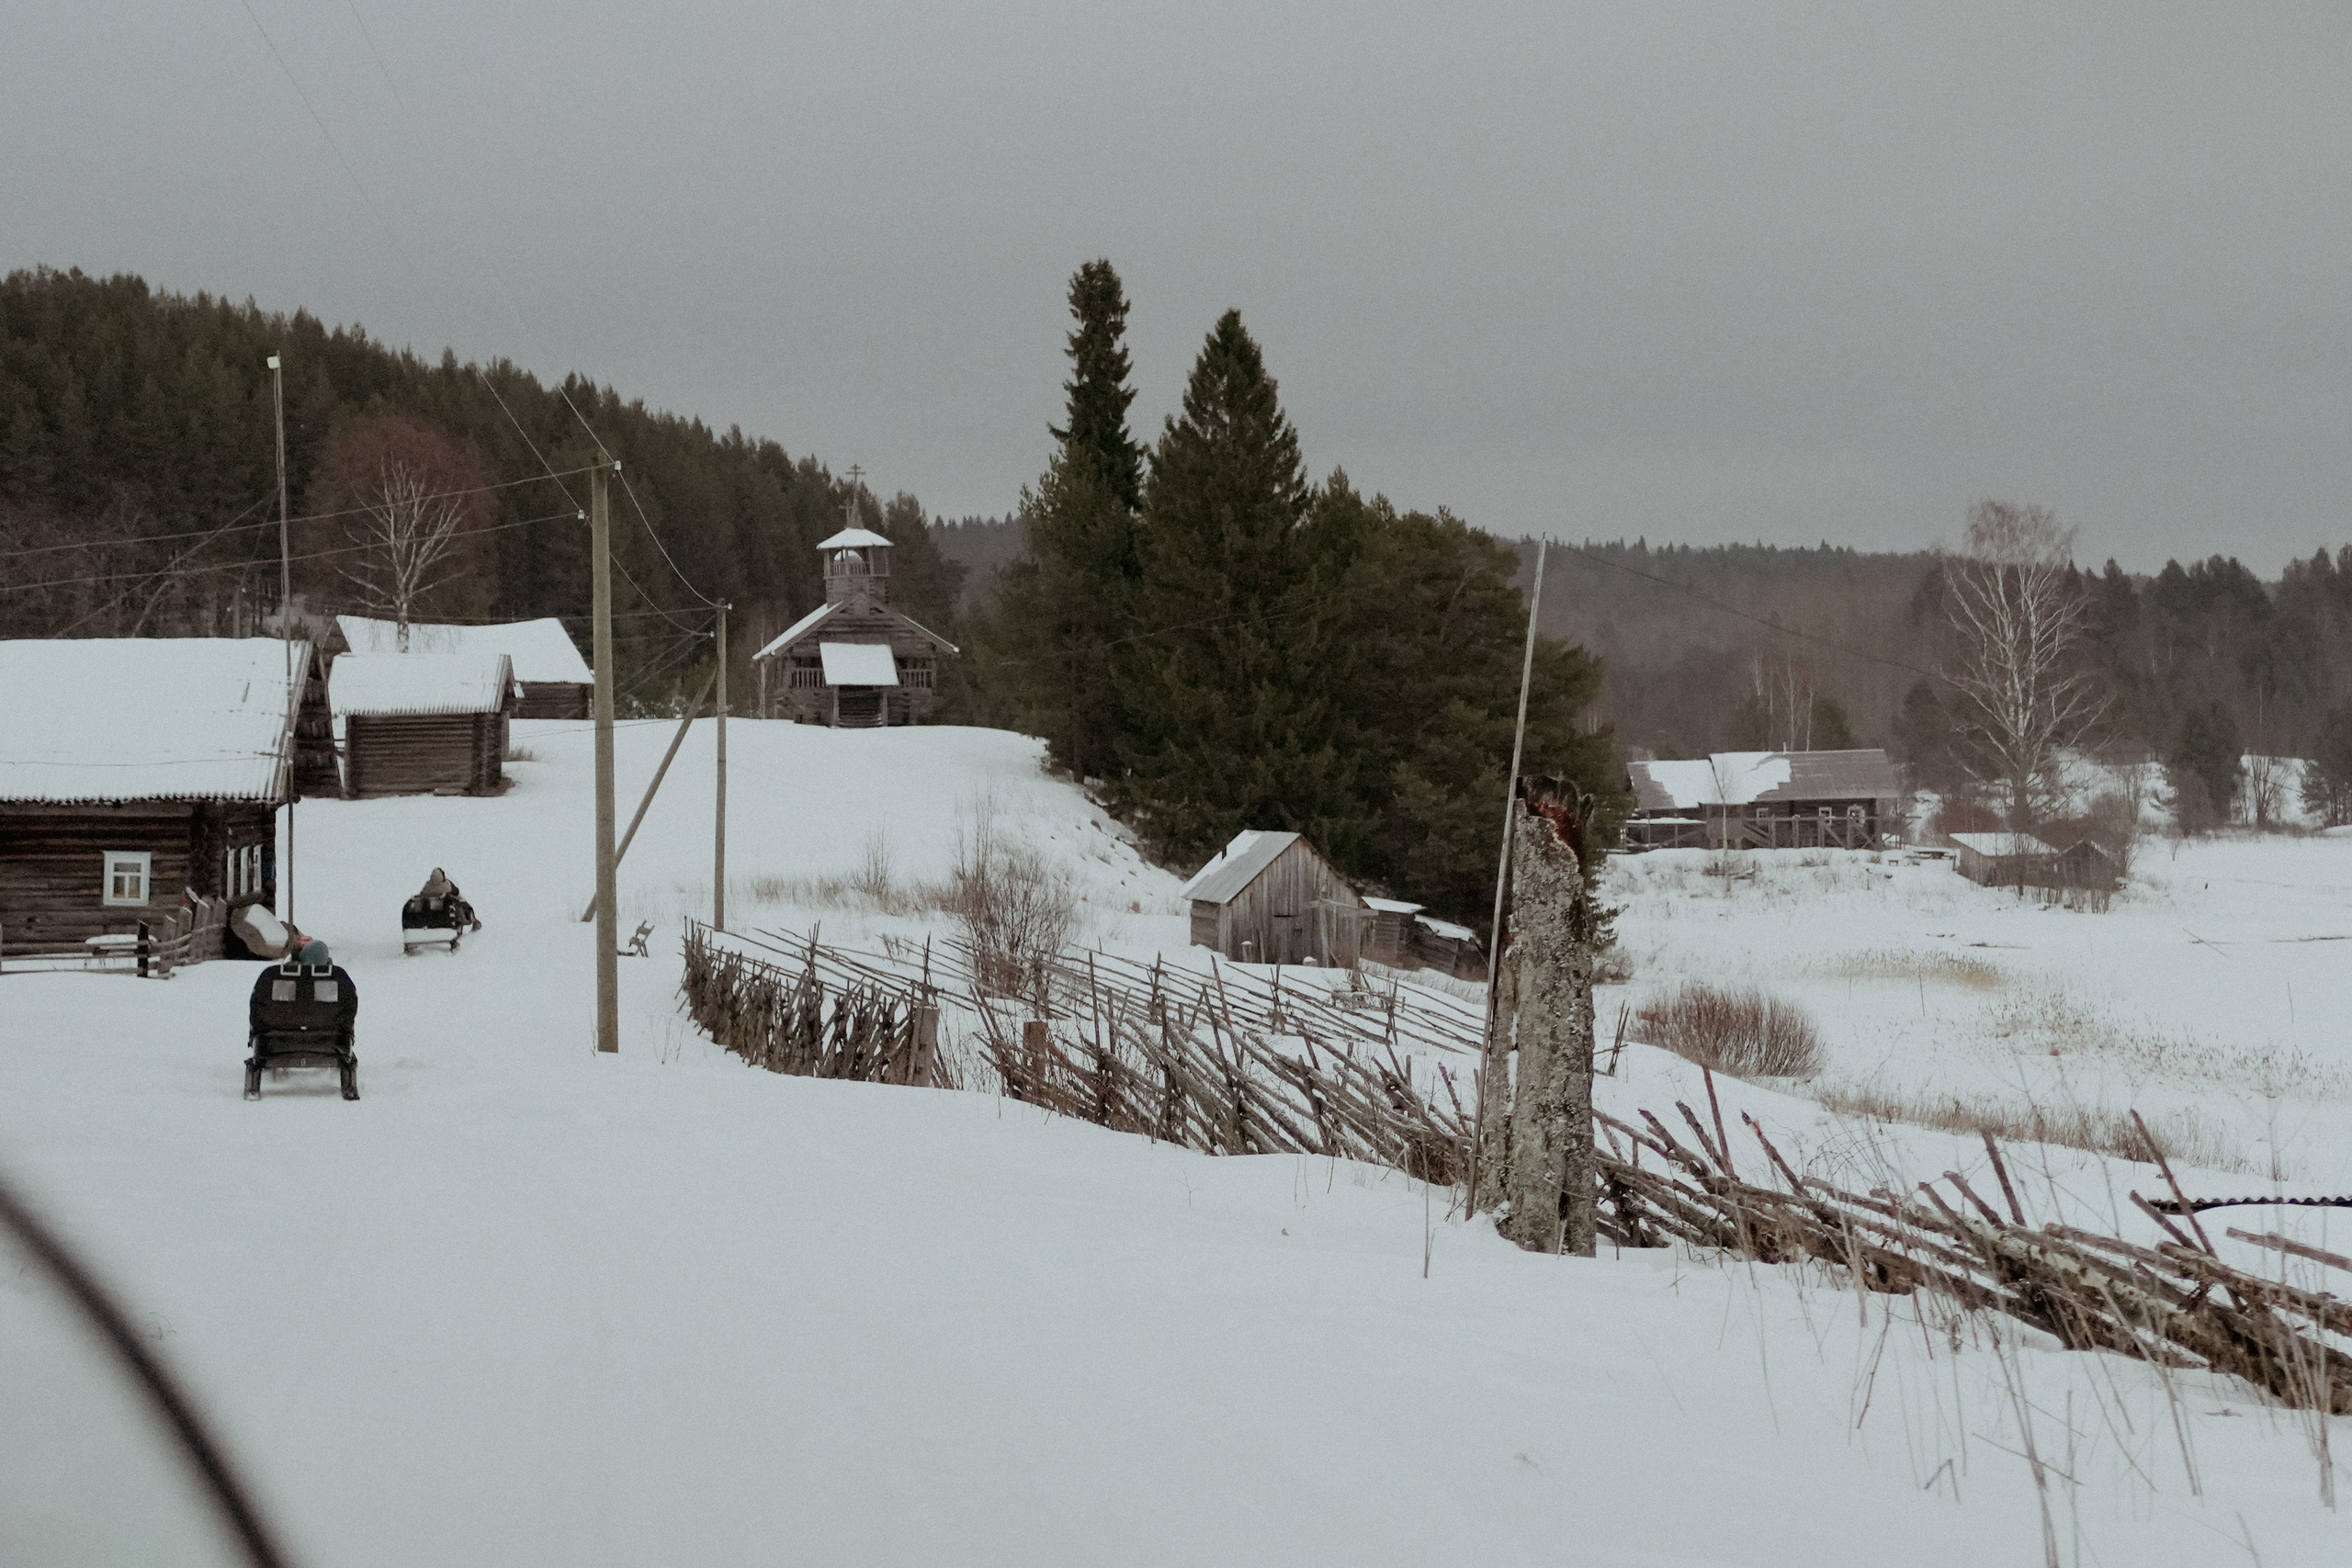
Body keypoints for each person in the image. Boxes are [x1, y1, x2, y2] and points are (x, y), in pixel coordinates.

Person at [413, 868, 481, 931]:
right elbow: (456, 891)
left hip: (430, 911)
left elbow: (422, 894)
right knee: (459, 905)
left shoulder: (427, 886)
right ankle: (466, 920)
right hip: (444, 910)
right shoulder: (446, 885)